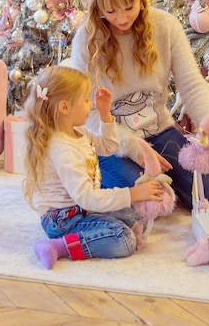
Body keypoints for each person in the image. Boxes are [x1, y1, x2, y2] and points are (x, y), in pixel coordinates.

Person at [70, 0, 209, 210]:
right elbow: (86, 113)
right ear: (97, 7)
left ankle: (165, 181)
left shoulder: (165, 26)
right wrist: (133, 148)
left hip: (160, 132)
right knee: (146, 201)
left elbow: (192, 85)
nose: (121, 18)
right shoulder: (86, 40)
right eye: (110, 11)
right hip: (112, 142)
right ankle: (109, 176)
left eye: (128, 7)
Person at [23, 65, 165, 269]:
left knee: (135, 217)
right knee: (123, 239)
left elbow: (109, 147)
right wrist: (132, 193)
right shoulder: (62, 149)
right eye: (86, 100)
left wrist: (105, 113)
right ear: (65, 108)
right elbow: (87, 197)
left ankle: (92, 235)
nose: (90, 105)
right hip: (63, 220)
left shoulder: (78, 132)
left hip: (81, 208)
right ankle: (58, 246)